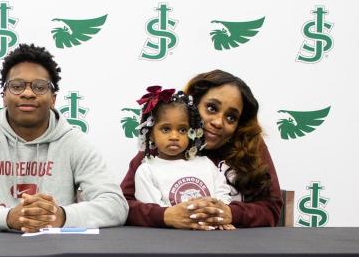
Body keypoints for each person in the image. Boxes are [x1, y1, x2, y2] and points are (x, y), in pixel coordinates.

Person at [0, 43, 127, 232]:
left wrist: (60, 216)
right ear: (4, 95)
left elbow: (115, 205)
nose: (28, 93)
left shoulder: (74, 142)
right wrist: (8, 217)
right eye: (17, 86)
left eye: (39, 87)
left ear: (53, 98)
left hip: (59, 252)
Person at [121, 70, 282, 229]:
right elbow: (121, 204)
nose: (219, 122)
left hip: (234, 247)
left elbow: (271, 208)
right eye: (211, 108)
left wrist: (230, 213)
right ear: (192, 105)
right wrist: (165, 215)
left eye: (231, 117)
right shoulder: (161, 149)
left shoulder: (250, 145)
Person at [131, 86, 235, 230]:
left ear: (192, 132)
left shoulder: (206, 164)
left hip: (213, 238)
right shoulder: (146, 170)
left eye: (182, 130)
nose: (174, 136)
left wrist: (219, 216)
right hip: (171, 242)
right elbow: (156, 211)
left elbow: (222, 194)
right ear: (151, 134)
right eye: (166, 129)